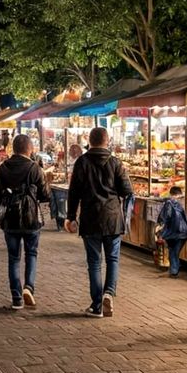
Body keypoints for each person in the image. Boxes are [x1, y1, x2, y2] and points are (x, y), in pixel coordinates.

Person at [66, 126, 133, 317]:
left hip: (90, 217)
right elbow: (127, 191)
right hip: (112, 218)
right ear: (107, 140)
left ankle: (96, 305)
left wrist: (70, 217)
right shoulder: (115, 163)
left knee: (94, 262)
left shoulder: (82, 162)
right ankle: (109, 293)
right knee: (113, 259)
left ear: (90, 141)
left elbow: (74, 192)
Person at [0, 133, 50, 309]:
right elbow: (45, 195)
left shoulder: (3, 168)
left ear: (13, 149)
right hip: (31, 219)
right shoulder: (35, 168)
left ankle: (16, 297)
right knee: (31, 254)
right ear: (29, 149)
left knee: (13, 258)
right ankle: (28, 288)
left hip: (10, 219)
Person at [155, 185, 187, 278]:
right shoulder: (182, 204)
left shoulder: (169, 203)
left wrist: (160, 227)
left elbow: (164, 216)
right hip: (184, 232)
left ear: (171, 194)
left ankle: (174, 271)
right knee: (175, 251)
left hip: (173, 231)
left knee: (173, 251)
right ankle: (174, 269)